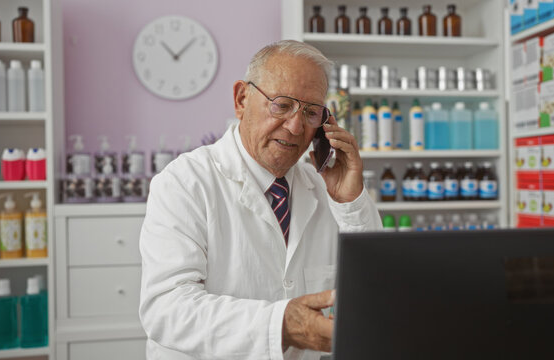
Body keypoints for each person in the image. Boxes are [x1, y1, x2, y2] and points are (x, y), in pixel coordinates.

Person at [139, 40, 382, 360]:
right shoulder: (185, 182)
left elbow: (376, 284)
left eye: (311, 113)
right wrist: (281, 325)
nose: (295, 127)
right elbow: (167, 310)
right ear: (242, 99)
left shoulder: (326, 190)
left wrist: (350, 202)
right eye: (281, 105)